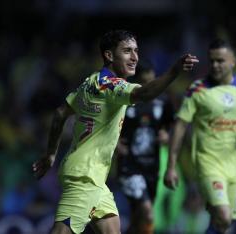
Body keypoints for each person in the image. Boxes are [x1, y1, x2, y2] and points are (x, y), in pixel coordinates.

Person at [32, 30, 198, 234]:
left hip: (95, 179)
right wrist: (173, 71)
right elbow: (145, 92)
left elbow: (59, 113)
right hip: (84, 177)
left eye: (136, 51)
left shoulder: (90, 82)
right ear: (109, 55)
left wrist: (50, 155)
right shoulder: (113, 87)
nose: (135, 57)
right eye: (127, 51)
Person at [163, 39, 236, 234]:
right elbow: (180, 126)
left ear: (233, 61)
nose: (215, 65)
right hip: (208, 164)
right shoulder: (198, 89)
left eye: (220, 60)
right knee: (223, 215)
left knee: (223, 225)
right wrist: (171, 166)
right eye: (212, 61)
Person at [116, 60, 174, 234]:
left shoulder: (163, 101)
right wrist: (116, 143)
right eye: (144, 82)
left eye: (152, 81)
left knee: (138, 218)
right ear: (136, 81)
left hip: (152, 166)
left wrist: (166, 134)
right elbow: (106, 125)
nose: (149, 86)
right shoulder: (125, 99)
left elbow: (172, 125)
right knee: (148, 214)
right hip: (129, 165)